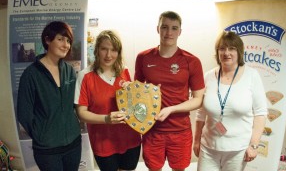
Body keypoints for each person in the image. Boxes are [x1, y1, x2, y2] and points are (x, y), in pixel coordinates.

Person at [134, 11, 205, 171]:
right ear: (157, 29)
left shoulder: (191, 61)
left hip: (180, 130)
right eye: (164, 27)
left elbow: (198, 99)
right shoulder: (143, 57)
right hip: (152, 130)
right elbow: (136, 92)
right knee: (153, 168)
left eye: (174, 28)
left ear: (180, 31)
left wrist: (171, 109)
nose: (169, 32)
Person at [193, 31, 268, 171]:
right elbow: (201, 113)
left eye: (231, 48)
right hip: (208, 149)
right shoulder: (208, 76)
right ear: (217, 52)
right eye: (222, 48)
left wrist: (254, 144)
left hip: (238, 151)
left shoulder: (252, 76)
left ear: (239, 51)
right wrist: (196, 141)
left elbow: (261, 113)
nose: (226, 53)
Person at [17, 21, 82, 171]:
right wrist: (42, 136)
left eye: (68, 41)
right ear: (47, 40)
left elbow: (74, 104)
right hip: (48, 150)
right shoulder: (31, 74)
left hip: (73, 143)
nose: (66, 45)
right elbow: (24, 114)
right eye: (60, 39)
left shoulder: (69, 70)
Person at [74, 30, 141, 171]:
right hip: (103, 141)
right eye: (104, 49)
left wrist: (137, 92)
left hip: (130, 138)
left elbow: (133, 104)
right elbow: (81, 113)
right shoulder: (85, 76)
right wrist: (106, 119)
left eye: (113, 50)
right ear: (97, 49)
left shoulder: (125, 71)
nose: (109, 55)